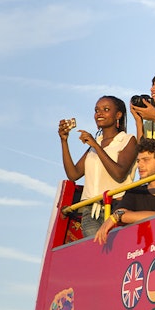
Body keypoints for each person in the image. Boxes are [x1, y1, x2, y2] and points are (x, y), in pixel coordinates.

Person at [59, 95, 137, 238]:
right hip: (90, 210)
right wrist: (64, 141)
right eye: (96, 110)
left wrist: (95, 145)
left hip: (116, 207)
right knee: (96, 251)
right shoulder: (96, 143)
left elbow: (119, 174)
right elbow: (73, 174)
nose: (99, 113)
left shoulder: (127, 140)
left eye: (106, 109)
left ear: (118, 115)